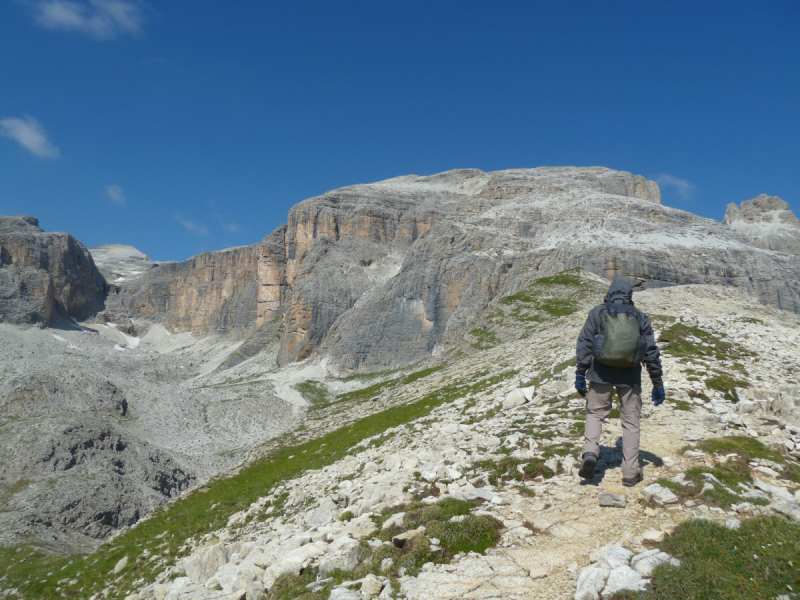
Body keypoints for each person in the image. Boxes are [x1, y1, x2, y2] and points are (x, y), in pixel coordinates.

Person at [574, 279, 664, 486]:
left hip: (600, 373)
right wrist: (657, 384)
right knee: (631, 422)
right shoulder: (641, 317)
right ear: (629, 296)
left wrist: (580, 373)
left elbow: (586, 343)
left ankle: (590, 453)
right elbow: (651, 353)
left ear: (609, 293)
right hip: (630, 376)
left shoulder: (598, 312)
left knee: (595, 413)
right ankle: (631, 472)